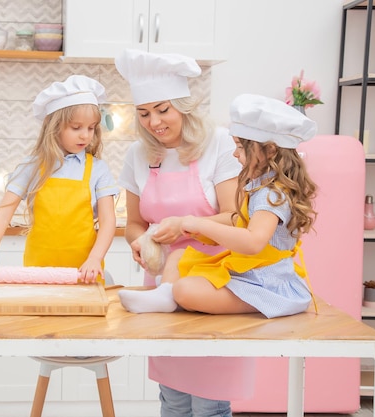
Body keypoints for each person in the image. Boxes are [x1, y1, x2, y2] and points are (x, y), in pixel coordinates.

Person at [114, 48, 252, 417]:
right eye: (144, 113)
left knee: (209, 400)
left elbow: (236, 217)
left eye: (163, 109)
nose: (154, 122)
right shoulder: (136, 155)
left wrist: (186, 225)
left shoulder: (219, 144)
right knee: (173, 398)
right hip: (161, 283)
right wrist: (140, 243)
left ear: (183, 106)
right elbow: (133, 224)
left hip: (213, 281)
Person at [118, 93, 318, 319]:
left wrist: (196, 224)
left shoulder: (271, 194)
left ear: (270, 151)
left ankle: (177, 296)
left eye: (241, 147)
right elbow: (238, 223)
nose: (235, 154)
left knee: (184, 289)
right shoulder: (259, 187)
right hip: (246, 270)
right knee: (178, 256)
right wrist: (191, 227)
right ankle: (165, 295)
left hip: (266, 282)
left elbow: (253, 242)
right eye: (144, 114)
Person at [0, 75, 119, 284]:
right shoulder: (32, 167)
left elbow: (108, 221)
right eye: (76, 128)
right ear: (54, 126)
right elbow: (3, 213)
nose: (85, 136)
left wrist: (95, 259)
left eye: (91, 128)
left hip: (84, 272)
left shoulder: (98, 169)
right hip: (38, 271)